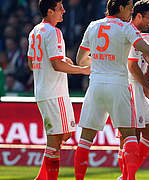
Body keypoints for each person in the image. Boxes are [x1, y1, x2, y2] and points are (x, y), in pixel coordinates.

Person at [74, 0, 149, 179]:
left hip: (95, 84)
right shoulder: (125, 27)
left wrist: (101, 64)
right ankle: (129, 177)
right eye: (129, 9)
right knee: (129, 137)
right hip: (119, 85)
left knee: (84, 140)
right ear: (121, 8)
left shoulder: (93, 25)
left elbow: (81, 59)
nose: (130, 13)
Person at [27, 0, 90, 180]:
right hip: (55, 93)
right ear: (50, 11)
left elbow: (32, 64)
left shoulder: (34, 31)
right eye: (60, 7)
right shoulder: (53, 32)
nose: (63, 10)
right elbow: (56, 65)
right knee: (57, 139)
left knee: (63, 135)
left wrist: (62, 60)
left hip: (44, 91)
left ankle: (41, 178)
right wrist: (82, 70)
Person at [118, 0, 149, 179]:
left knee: (148, 133)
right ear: (138, 16)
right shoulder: (129, 33)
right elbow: (132, 67)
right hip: (129, 87)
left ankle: (126, 176)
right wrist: (148, 87)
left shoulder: (147, 38)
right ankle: (127, 176)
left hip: (140, 88)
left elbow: (147, 71)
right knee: (130, 136)